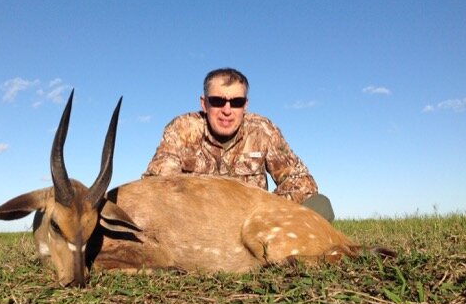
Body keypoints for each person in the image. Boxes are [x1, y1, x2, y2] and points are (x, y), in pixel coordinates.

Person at [143, 67, 334, 221]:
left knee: (320, 205)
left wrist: (260, 208)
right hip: (198, 224)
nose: (227, 110)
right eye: (217, 101)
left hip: (256, 221)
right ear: (204, 104)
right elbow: (156, 185)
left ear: (246, 105)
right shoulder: (182, 128)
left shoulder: (262, 129)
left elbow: (301, 182)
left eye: (236, 102)